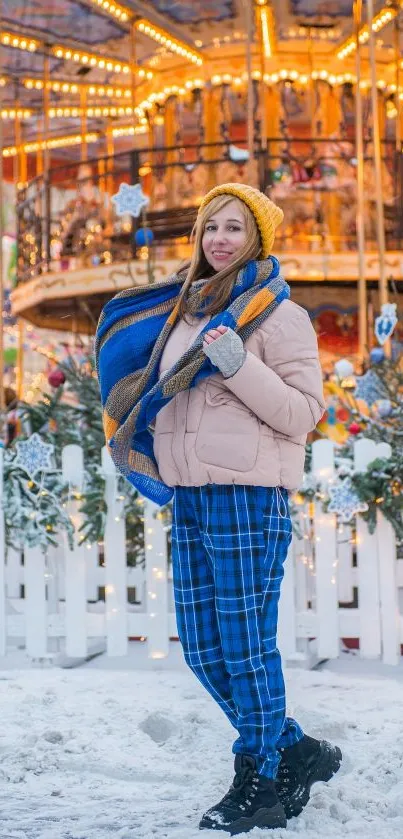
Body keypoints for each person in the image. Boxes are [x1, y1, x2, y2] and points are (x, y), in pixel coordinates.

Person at [96, 183, 342, 836]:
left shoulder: (277, 314)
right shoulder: (179, 314)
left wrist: (238, 366)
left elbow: (302, 414)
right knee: (205, 650)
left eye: (235, 227)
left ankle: (259, 778)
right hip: (191, 498)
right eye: (211, 227)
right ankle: (295, 747)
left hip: (248, 497)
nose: (220, 239)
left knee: (245, 646)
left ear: (257, 238)